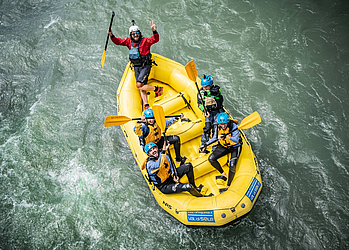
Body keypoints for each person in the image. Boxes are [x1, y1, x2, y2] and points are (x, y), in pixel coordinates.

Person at [107, 20, 162, 109]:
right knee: (141, 86)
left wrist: (154, 31)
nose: (135, 35)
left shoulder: (145, 41)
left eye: (137, 33)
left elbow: (155, 39)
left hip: (145, 65)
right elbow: (118, 42)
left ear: (139, 33)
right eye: (133, 34)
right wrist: (111, 35)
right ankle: (146, 105)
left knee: (139, 85)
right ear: (131, 35)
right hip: (136, 66)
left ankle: (157, 89)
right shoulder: (128, 41)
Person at [199, 112, 242, 193]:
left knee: (232, 165)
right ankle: (223, 173)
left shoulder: (234, 126)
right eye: (221, 124)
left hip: (234, 146)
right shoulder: (217, 126)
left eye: (225, 124)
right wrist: (205, 145)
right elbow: (214, 138)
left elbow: (236, 140)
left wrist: (227, 136)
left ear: (227, 122)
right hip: (225, 145)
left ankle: (228, 185)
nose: (223, 126)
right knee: (211, 159)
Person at [197, 74, 224, 147]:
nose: (204, 88)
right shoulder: (200, 92)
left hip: (217, 111)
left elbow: (215, 93)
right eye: (203, 86)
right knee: (207, 127)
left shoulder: (216, 89)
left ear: (211, 85)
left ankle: (214, 145)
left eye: (206, 86)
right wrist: (205, 111)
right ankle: (204, 144)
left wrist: (205, 93)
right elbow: (199, 104)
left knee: (216, 128)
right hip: (208, 112)